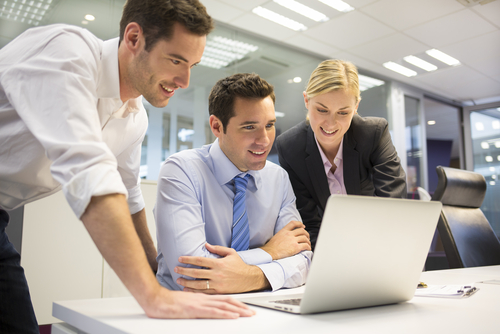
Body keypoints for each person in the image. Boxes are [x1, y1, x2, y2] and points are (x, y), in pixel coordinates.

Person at [0, 0, 253, 331]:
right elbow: (88, 172)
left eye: (192, 64)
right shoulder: (66, 53)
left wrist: (160, 282)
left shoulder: (135, 118)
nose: (185, 80)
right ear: (134, 38)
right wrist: (153, 298)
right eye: (176, 60)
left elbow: (129, 195)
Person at [155, 73, 312, 294]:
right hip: (187, 313)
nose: (265, 140)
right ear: (217, 127)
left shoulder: (278, 178)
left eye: (269, 125)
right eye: (250, 127)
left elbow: (303, 260)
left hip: (260, 310)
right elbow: (191, 271)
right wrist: (271, 252)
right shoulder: (181, 171)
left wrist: (251, 278)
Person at [275, 59, 407, 250]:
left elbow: (393, 206)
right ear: (306, 100)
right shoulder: (290, 147)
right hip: (328, 250)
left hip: (381, 245)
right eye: (322, 110)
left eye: (343, 112)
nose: (331, 123)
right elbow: (308, 224)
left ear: (356, 106)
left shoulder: (374, 134)